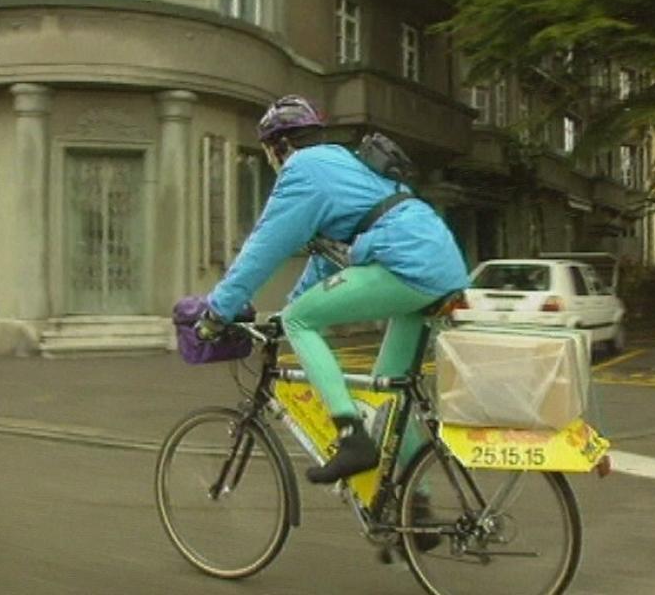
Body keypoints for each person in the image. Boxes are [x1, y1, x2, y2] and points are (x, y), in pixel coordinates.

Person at [197, 95, 469, 485]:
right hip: (439, 260)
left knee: (300, 320)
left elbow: (261, 250)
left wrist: (217, 312)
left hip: (408, 263)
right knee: (386, 394)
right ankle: (415, 503)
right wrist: (283, 312)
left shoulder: (302, 171)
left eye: (269, 151)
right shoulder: (342, 162)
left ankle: (351, 437)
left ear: (279, 145)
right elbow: (327, 258)